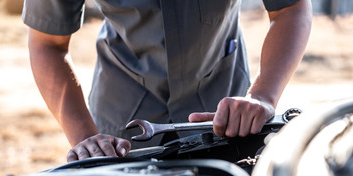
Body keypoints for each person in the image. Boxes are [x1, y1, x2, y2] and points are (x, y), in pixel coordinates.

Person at [22, 0, 312, 162]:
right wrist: (86, 137)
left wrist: (263, 95)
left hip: (224, 115)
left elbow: (291, 8)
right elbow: (48, 44)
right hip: (121, 121)